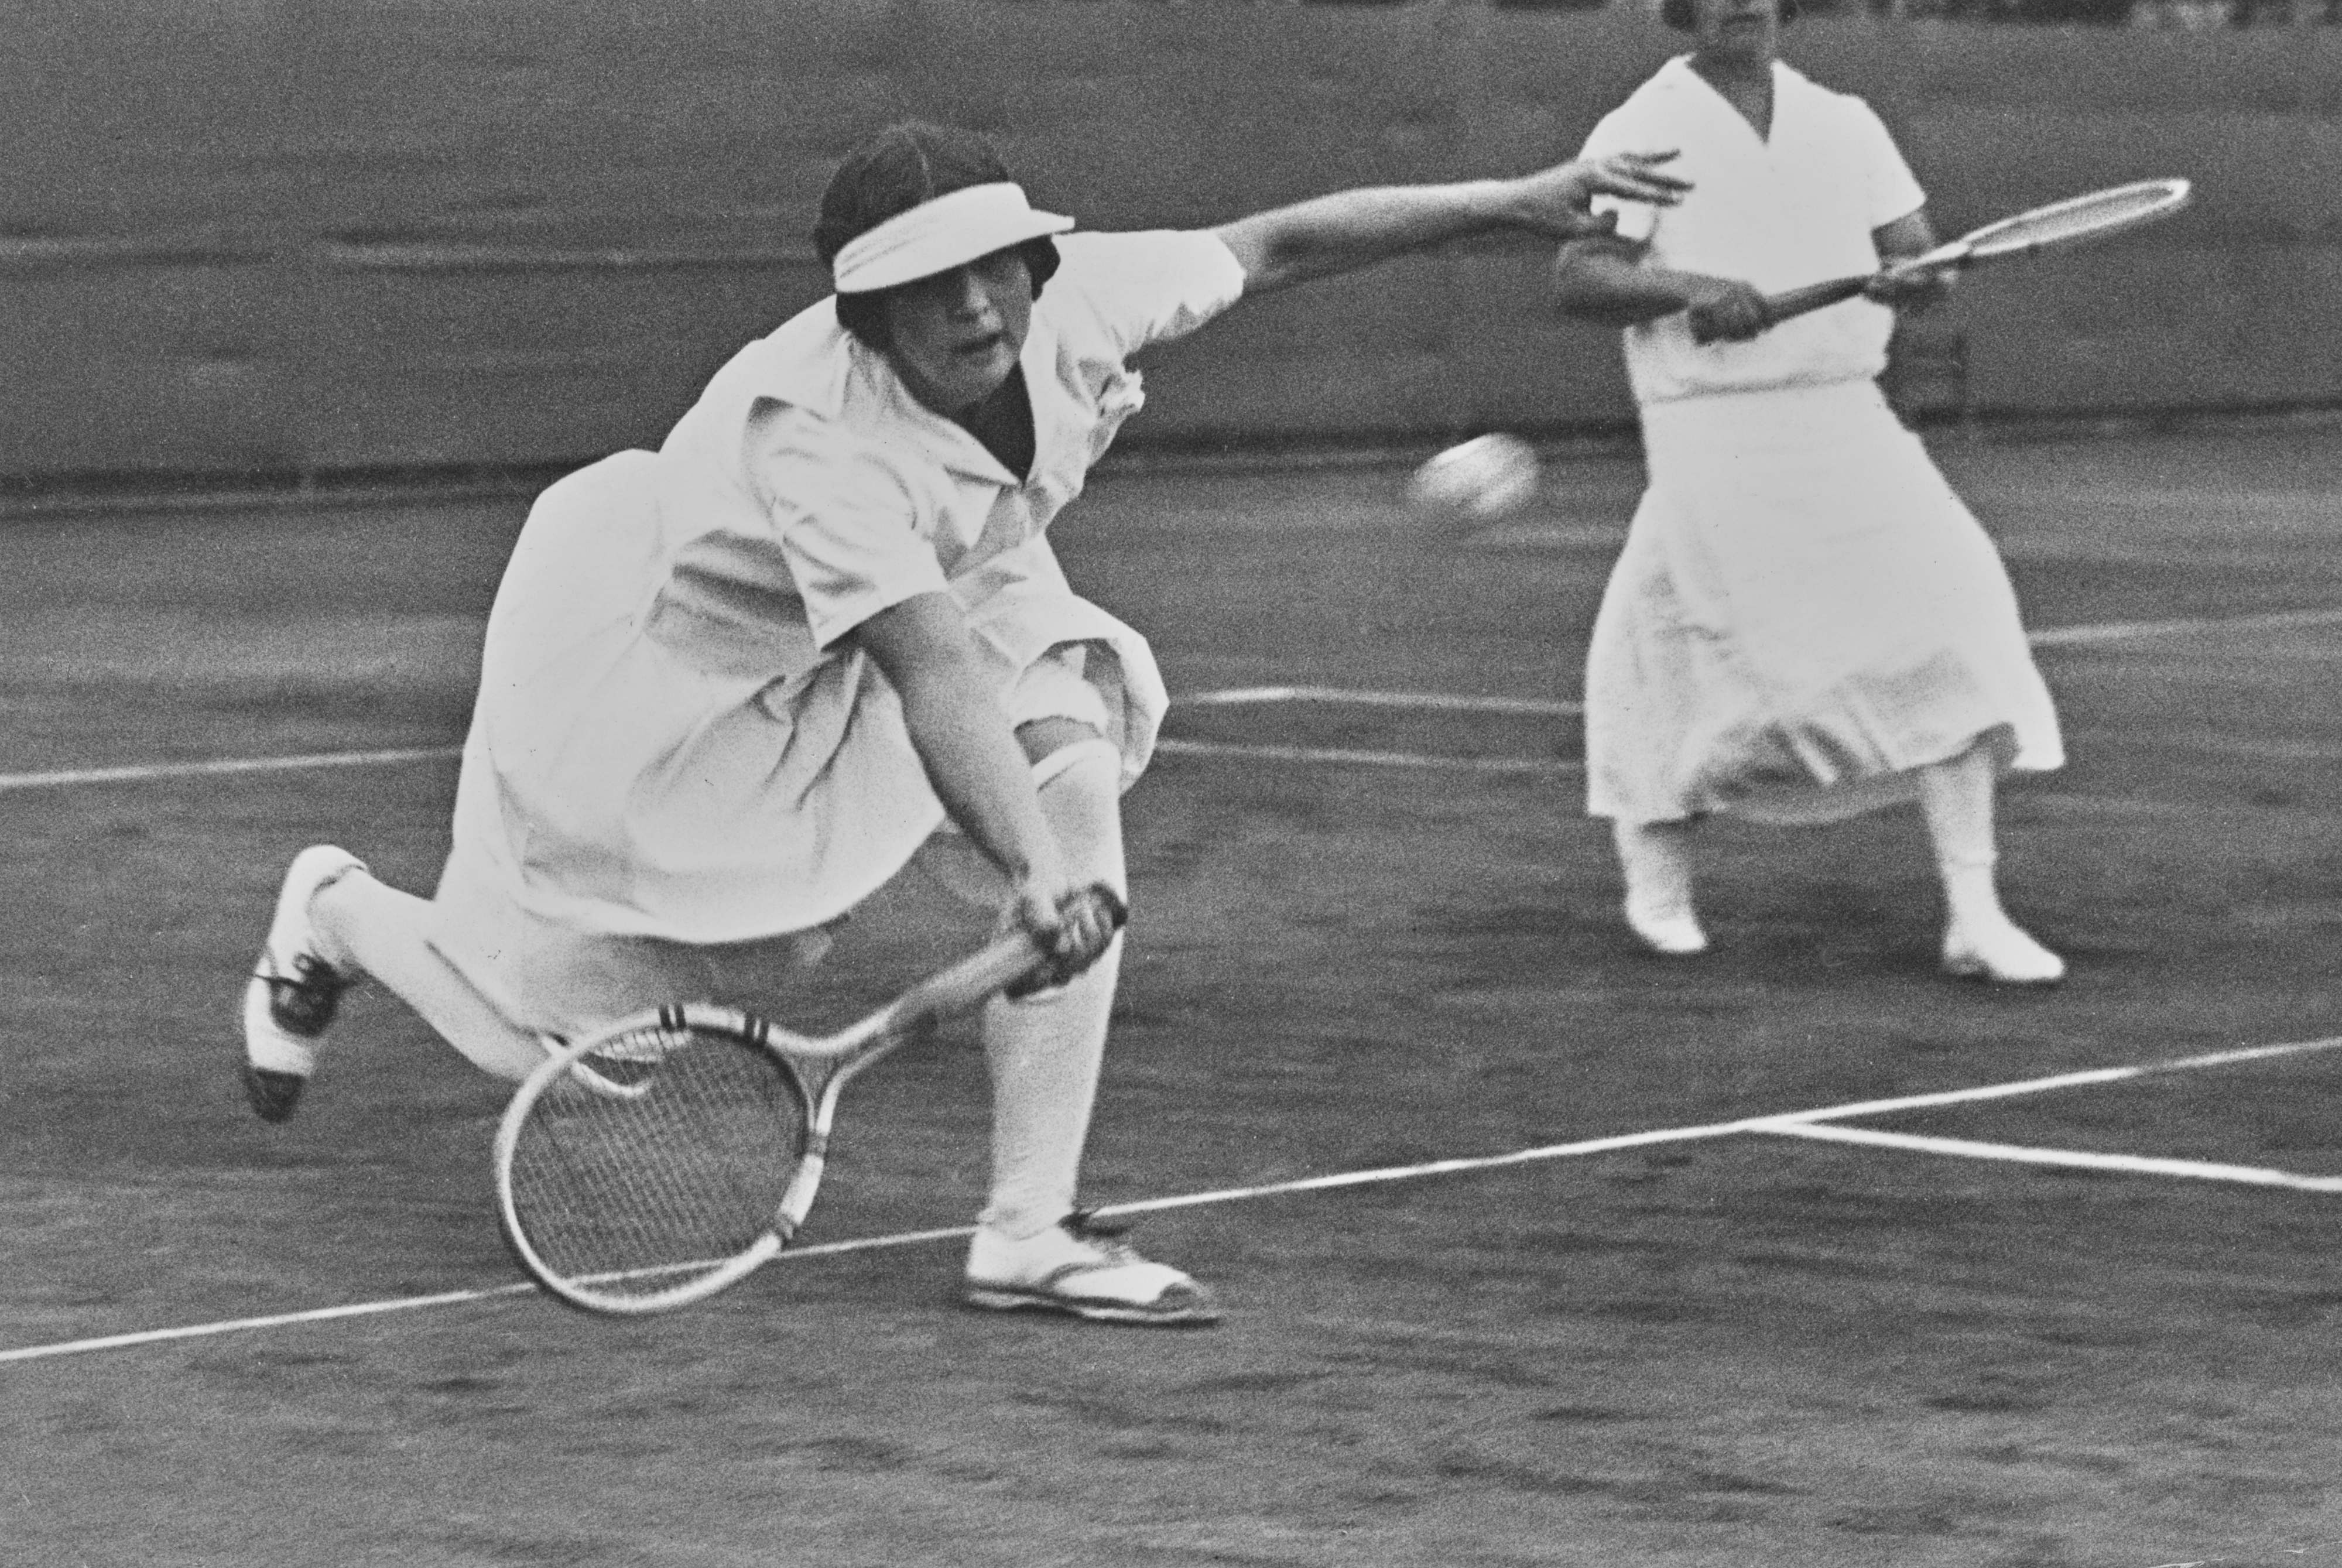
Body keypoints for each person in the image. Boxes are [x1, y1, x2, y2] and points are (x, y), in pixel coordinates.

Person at [242, 121, 1687, 1323]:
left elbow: (1282, 242)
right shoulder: (814, 430)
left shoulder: (1079, 300)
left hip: (960, 580)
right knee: (555, 1045)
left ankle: (1026, 1226)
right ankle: (342, 912)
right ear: (869, 313)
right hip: (680, 668)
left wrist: (1509, 200)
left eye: (993, 268)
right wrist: (1031, 879)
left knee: (1072, 781)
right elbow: (928, 669)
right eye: (929, 289)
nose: (975, 309)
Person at [1548, 0, 2067, 988]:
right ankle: (1657, 882)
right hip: (1711, 436)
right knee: (1692, 658)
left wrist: (1921, 278)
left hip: (1852, 422)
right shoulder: (1642, 125)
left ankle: (1974, 910)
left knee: (1963, 619)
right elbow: (1580, 276)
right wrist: (1692, 288)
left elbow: (1916, 257)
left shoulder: (1846, 119)